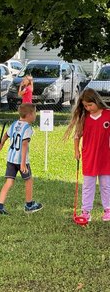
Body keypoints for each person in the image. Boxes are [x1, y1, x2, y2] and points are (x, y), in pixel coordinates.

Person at [64, 88, 110, 222]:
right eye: (85, 106)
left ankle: (108, 210)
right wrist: (76, 151)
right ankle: (86, 212)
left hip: (105, 157)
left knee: (106, 185)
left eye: (90, 105)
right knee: (88, 185)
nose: (88, 108)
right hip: (89, 156)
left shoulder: (108, 114)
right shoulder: (85, 118)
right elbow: (77, 135)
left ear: (97, 101)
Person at [0, 103, 42, 215]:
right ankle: (29, 205)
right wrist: (23, 163)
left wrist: (1, 144)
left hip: (11, 159)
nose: (36, 115)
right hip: (21, 160)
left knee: (9, 182)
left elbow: (6, 135)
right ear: (29, 115)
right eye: (35, 113)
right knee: (29, 180)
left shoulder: (15, 124)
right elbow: (24, 145)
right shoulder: (28, 128)